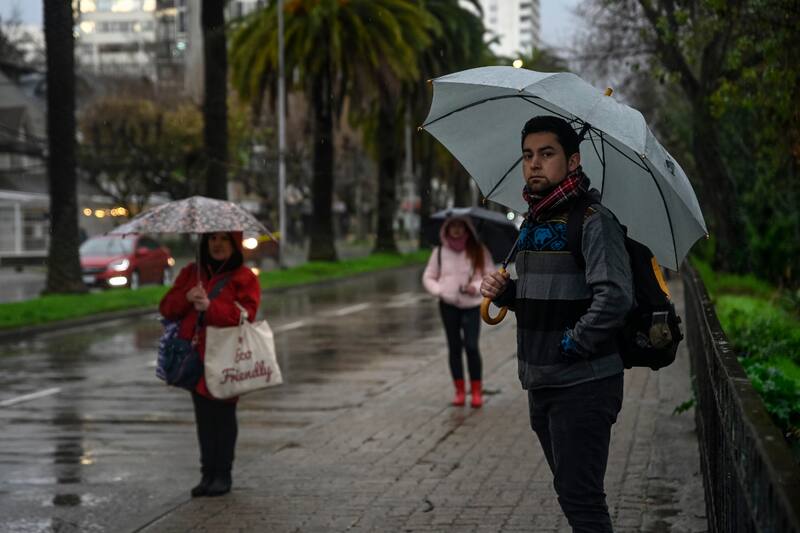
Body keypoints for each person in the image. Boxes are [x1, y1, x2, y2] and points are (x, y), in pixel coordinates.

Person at [480, 115, 633, 532]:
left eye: (547, 154)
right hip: (542, 380)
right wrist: (507, 293)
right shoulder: (533, 222)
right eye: (528, 155)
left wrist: (571, 345)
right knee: (571, 493)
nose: (534, 164)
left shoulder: (592, 220)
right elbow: (541, 296)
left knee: (582, 499)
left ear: (573, 160)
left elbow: (615, 297)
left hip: (582, 384)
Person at [159, 231, 261, 497]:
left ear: (234, 244)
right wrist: (187, 298)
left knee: (223, 416)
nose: (217, 244)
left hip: (227, 357)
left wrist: (210, 306)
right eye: (212, 239)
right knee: (204, 417)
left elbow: (245, 314)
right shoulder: (192, 273)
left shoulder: (244, 277)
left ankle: (222, 474)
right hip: (195, 357)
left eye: (224, 239)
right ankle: (207, 474)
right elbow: (167, 308)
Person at [423, 216, 494, 408]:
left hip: (472, 305)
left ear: (467, 229)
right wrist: (440, 291)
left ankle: (477, 391)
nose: (456, 230)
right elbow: (429, 277)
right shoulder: (439, 252)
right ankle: (460, 391)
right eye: (452, 226)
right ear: (446, 229)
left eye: (460, 226)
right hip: (448, 305)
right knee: (455, 348)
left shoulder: (479, 250)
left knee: (471, 346)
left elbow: (489, 275)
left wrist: (476, 286)